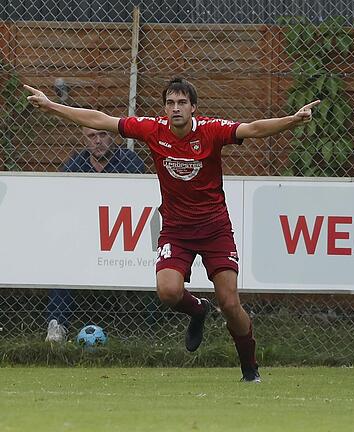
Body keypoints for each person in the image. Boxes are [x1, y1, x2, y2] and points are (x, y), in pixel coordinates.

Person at [26, 78, 320, 382]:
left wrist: (293, 120)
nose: (175, 108)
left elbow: (254, 129)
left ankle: (249, 368)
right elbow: (100, 120)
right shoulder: (153, 129)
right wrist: (51, 106)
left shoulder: (211, 130)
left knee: (231, 303)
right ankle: (198, 311)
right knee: (167, 291)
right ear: (164, 107)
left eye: (182, 103)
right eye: (170, 103)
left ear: (193, 107)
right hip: (176, 229)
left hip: (215, 229)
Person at [46, 125, 145, 343]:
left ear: (112, 137)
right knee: (60, 259)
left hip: (122, 237)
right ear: (84, 140)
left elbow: (140, 201)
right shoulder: (76, 163)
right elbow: (60, 196)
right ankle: (57, 325)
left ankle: (144, 330)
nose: (97, 141)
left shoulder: (129, 162)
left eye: (102, 135)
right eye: (91, 136)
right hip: (82, 236)